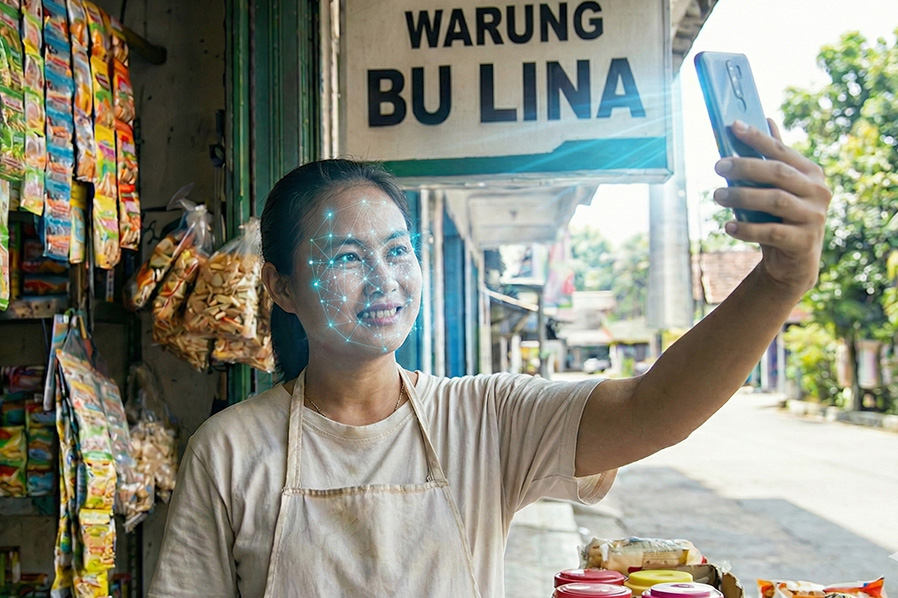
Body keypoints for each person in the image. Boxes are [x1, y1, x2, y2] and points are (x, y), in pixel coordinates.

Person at [147, 120, 831, 597]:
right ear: (283, 287)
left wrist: (779, 282)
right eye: (347, 257)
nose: (384, 279)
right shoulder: (230, 452)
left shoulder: (484, 418)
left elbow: (654, 408)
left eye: (397, 250)